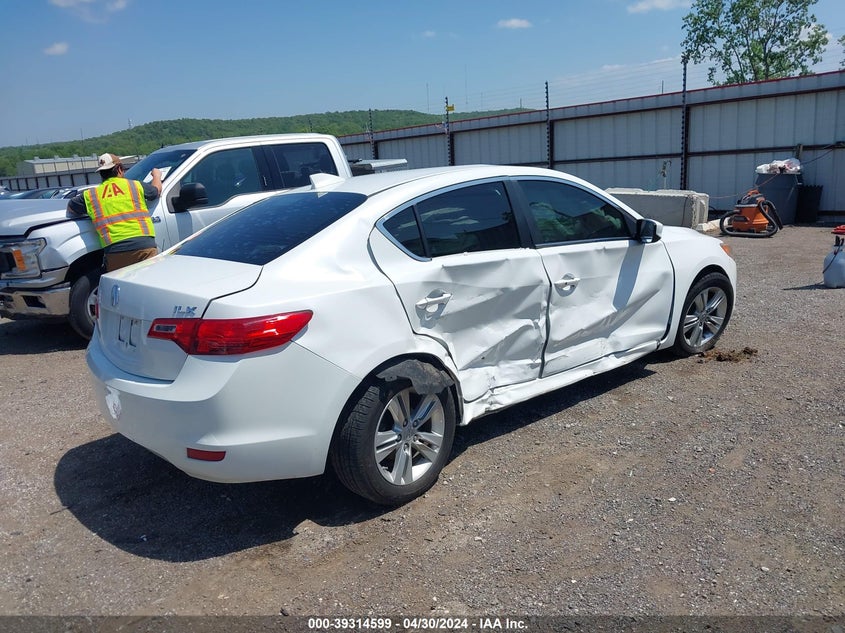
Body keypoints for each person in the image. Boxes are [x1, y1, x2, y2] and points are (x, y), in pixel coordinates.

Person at [67, 153, 162, 272]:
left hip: (115, 251)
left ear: (101, 173)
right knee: (149, 284)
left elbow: (71, 207)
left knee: (121, 286)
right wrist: (157, 176)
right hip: (143, 246)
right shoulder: (135, 185)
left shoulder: (91, 195)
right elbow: (156, 192)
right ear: (119, 169)